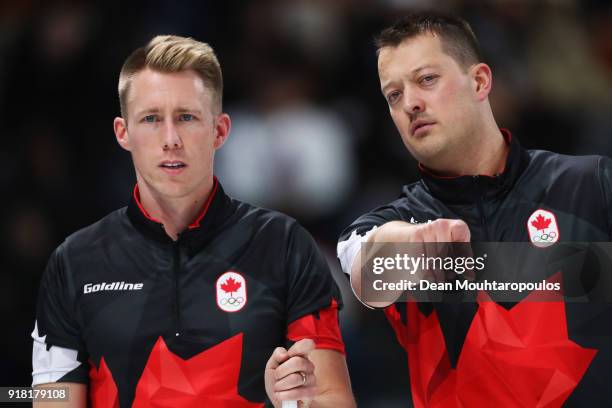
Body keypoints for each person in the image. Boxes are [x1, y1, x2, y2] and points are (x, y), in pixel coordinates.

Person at [31, 35, 355, 408]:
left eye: (186, 117)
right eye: (151, 119)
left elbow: (334, 401)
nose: (171, 139)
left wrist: (296, 403)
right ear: (123, 133)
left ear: (219, 130)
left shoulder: (284, 244)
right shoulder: (74, 261)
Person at [337, 12, 612, 407]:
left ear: (480, 81)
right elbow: (367, 271)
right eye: (393, 95)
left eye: (426, 79)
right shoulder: (389, 223)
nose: (411, 103)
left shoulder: (591, 184)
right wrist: (412, 242)